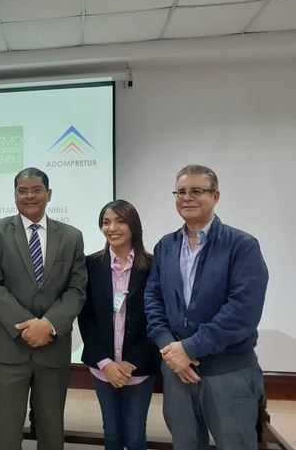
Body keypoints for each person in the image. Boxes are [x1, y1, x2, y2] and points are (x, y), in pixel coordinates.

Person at [145, 164, 268, 450]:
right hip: (177, 371)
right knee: (185, 444)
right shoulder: (166, 246)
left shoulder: (242, 245)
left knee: (235, 444)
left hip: (229, 372)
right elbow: (153, 301)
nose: (187, 197)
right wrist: (169, 347)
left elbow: (242, 313)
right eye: (181, 192)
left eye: (197, 191)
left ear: (216, 196)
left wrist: (189, 349)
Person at [0, 167, 87, 450]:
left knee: (52, 432)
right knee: (7, 432)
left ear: (48, 194)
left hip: (53, 348)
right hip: (9, 349)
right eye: (22, 190)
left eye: (36, 190)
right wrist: (27, 326)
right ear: (15, 196)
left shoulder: (71, 236)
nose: (29, 196)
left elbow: (77, 290)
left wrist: (47, 325)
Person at [78, 200, 160, 450]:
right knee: (111, 434)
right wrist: (106, 363)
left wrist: (128, 363)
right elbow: (86, 318)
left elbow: (156, 320)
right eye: (106, 222)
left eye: (120, 220)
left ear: (133, 225)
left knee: (136, 437)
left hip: (139, 366)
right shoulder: (90, 265)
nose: (112, 227)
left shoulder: (152, 265)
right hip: (102, 367)